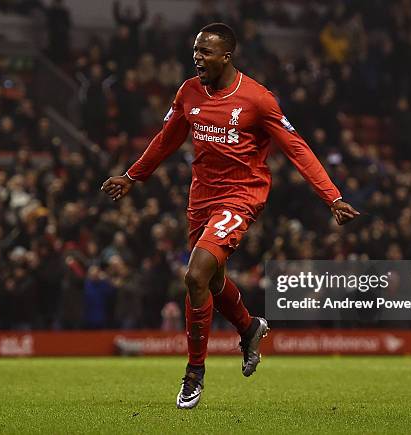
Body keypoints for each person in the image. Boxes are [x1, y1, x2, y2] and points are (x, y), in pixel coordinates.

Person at [101, 22, 359, 409]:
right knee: (213, 282)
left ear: (227, 56)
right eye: (195, 51)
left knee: (195, 274)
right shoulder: (188, 91)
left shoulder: (257, 99)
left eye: (205, 52)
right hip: (201, 199)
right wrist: (132, 175)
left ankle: (194, 374)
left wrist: (332, 196)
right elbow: (166, 138)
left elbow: (297, 147)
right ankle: (250, 327)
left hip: (241, 196)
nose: (197, 57)